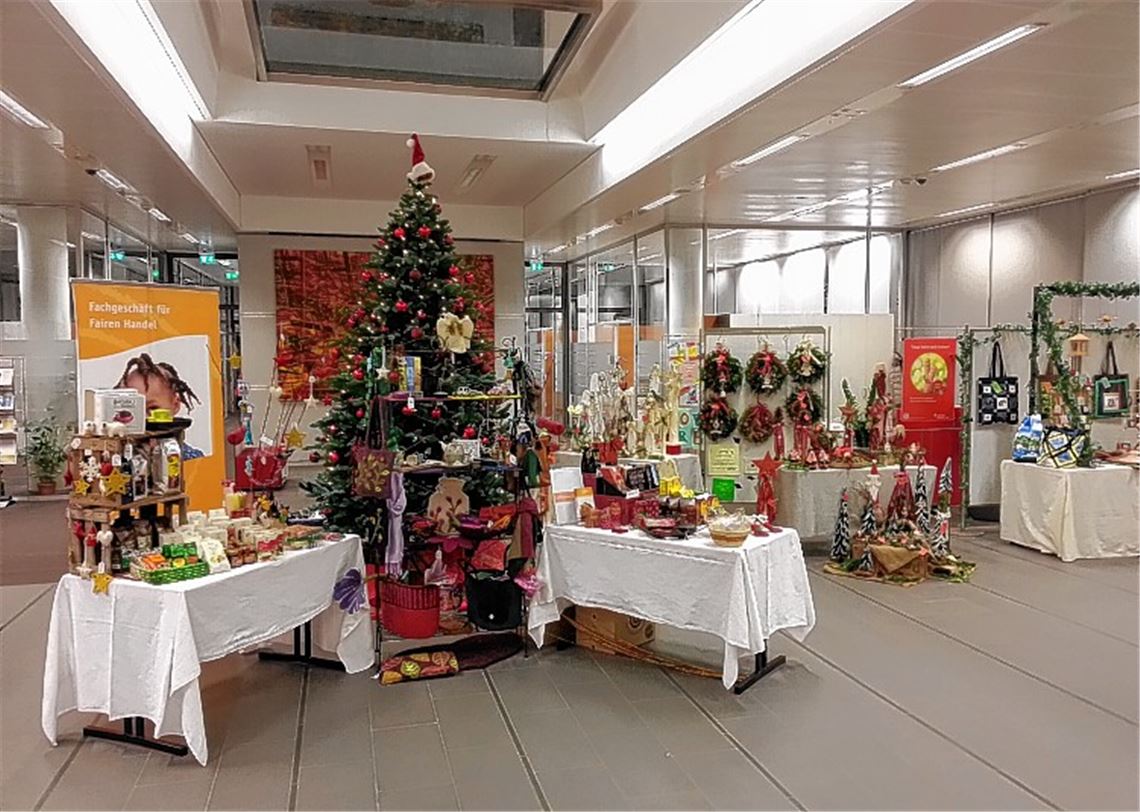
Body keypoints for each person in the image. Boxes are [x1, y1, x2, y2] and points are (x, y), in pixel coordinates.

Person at [115, 353, 204, 459]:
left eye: (152, 408)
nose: (143, 418)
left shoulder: (191, 458)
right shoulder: (116, 460)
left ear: (175, 405)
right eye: (131, 410)